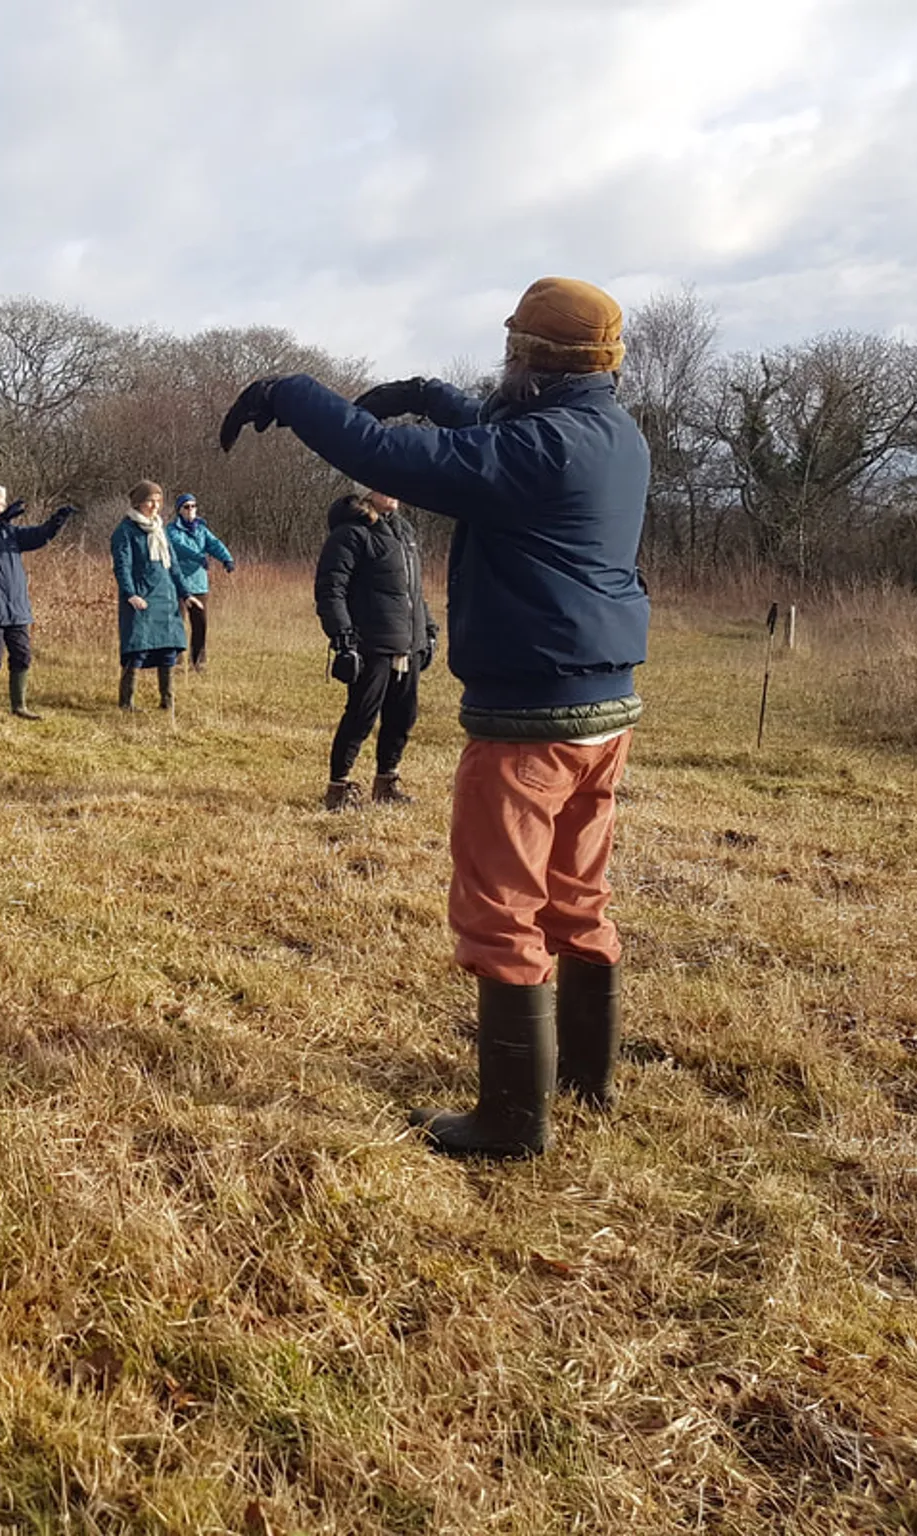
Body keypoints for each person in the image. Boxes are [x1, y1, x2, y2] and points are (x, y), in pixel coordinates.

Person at [219, 276, 648, 1160]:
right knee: (577, 895)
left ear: (528, 354)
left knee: (500, 908)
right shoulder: (610, 433)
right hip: (604, 711)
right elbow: (493, 432)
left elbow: (403, 462)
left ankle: (510, 1124)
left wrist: (293, 394)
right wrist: (424, 393)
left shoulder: (542, 447)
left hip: (532, 717)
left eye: (513, 347)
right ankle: (584, 1080)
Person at [314, 489, 436, 810]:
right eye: (383, 484)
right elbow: (331, 588)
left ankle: (386, 781)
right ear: (367, 490)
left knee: (402, 716)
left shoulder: (404, 531)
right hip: (371, 642)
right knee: (361, 716)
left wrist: (428, 629)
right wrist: (342, 637)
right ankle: (338, 787)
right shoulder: (351, 533)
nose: (393, 491)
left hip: (407, 642)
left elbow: (412, 590)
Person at [0, 479, 74, 722]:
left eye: (1, 505)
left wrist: (56, 522)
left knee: (22, 655)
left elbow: (38, 536)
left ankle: (19, 706)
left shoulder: (11, 533)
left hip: (15, 606)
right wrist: (1, 520)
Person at [110, 481, 189, 711]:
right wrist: (130, 593)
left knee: (168, 649)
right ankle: (126, 702)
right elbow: (122, 566)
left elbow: (173, 564)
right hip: (141, 597)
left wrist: (184, 592)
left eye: (158, 501)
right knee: (137, 648)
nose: (155, 506)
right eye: (150, 501)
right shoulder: (124, 531)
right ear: (138, 503)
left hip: (166, 597)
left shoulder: (159, 529)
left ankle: (167, 701)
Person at [165, 492, 235, 671]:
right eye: (186, 507)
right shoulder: (172, 530)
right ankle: (175, 662)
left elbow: (214, 544)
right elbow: (179, 547)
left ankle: (198, 661)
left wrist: (226, 558)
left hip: (199, 584)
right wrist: (198, 557)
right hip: (178, 583)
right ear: (179, 510)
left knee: (200, 624)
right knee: (176, 623)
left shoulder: (202, 529)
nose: (190, 510)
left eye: (193, 506)